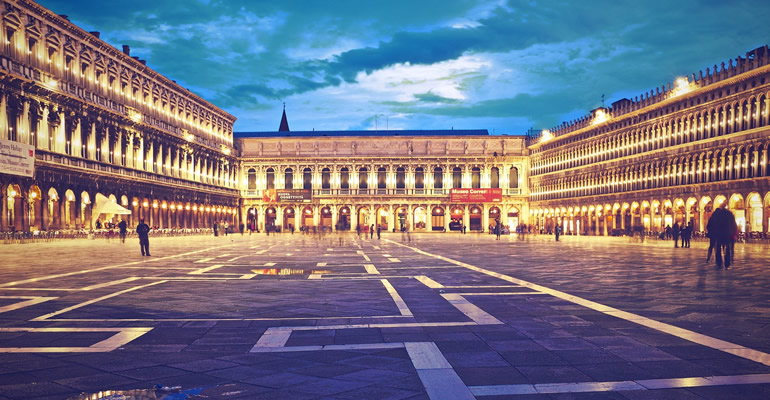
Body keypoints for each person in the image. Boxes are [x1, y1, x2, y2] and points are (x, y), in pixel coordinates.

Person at [706, 203, 736, 269]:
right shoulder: (729, 214)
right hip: (727, 233)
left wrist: (713, 232)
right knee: (727, 249)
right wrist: (732, 232)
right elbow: (733, 224)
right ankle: (727, 264)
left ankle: (719, 263)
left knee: (718, 249)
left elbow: (709, 225)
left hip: (718, 234)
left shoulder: (715, 214)